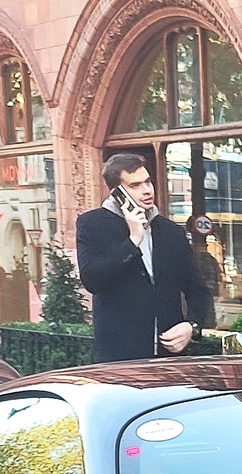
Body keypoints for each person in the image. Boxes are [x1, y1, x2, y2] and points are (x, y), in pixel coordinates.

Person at [74, 152, 212, 362]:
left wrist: (191, 326)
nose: (147, 190)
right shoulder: (92, 224)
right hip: (120, 358)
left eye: (147, 182)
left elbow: (198, 290)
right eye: (135, 185)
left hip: (169, 357)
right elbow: (92, 280)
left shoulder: (171, 231)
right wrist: (133, 240)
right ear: (116, 192)